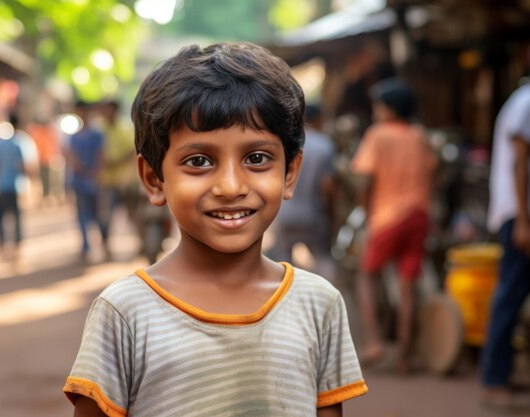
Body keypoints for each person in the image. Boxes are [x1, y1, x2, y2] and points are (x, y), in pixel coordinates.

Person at [63, 42, 367, 417]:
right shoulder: (126, 312)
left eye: (257, 158)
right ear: (154, 179)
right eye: (199, 161)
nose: (230, 186)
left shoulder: (319, 304)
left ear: (289, 173)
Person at [350, 78, 437, 374]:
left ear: (388, 108)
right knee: (407, 284)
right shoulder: (418, 135)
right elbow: (432, 170)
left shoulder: (378, 134)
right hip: (419, 215)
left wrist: (364, 208)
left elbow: (364, 177)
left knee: (366, 274)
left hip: (387, 216)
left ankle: (373, 341)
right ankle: (403, 355)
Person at [481, 39, 530, 409]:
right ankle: (494, 378)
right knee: (511, 294)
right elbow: (520, 161)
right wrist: (522, 220)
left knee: (514, 293)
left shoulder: (525, 99)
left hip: (525, 214)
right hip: (526, 216)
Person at [269, 103, 338, 280]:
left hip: (284, 213)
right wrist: (330, 213)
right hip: (313, 213)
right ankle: (330, 297)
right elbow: (327, 185)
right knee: (322, 258)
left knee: (283, 262)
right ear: (319, 119)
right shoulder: (325, 145)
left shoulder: (285, 142)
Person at [65, 100, 106, 261]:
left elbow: (101, 155)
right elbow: (71, 156)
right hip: (81, 181)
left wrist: (94, 172)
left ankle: (103, 241)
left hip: (94, 180)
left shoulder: (96, 134)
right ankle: (86, 246)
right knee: (82, 214)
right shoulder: (75, 136)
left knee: (98, 214)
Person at [97, 99, 137, 258]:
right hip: (105, 180)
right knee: (105, 216)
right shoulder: (99, 131)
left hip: (125, 181)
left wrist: (116, 161)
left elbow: (131, 151)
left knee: (132, 214)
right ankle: (106, 247)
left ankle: (139, 243)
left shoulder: (125, 129)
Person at [0, 114, 26, 259]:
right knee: (16, 216)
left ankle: (2, 244)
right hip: (14, 186)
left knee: (1, 216)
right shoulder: (18, 144)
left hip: (2, 185)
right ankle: (17, 244)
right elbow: (22, 165)